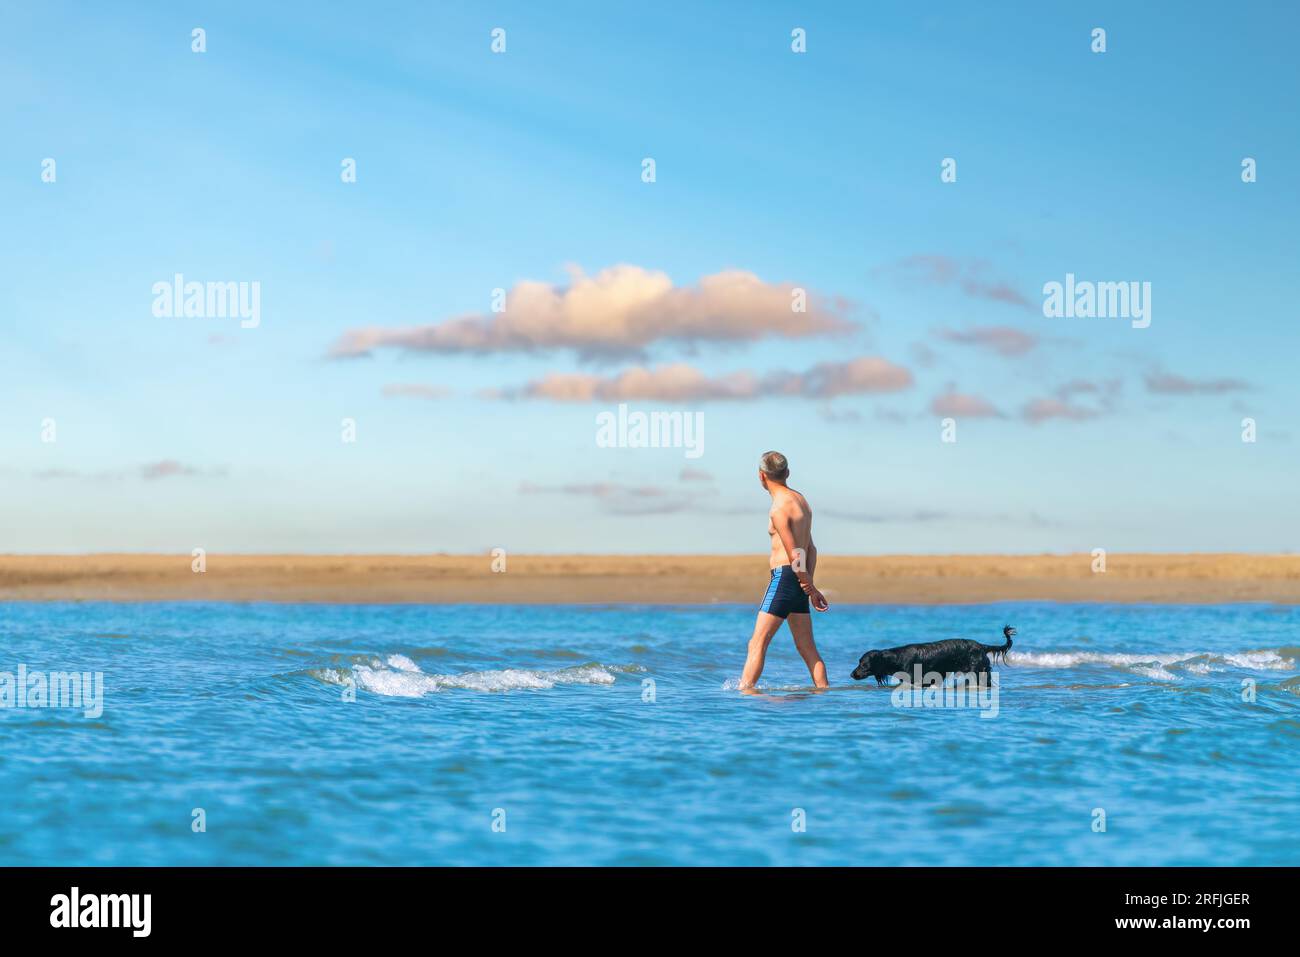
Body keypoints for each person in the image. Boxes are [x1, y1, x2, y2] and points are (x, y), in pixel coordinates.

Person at [738, 451, 830, 690]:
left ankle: (745, 693)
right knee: (806, 647)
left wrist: (808, 585)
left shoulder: (778, 508)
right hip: (800, 577)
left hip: (786, 577)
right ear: (787, 473)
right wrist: (809, 584)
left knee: (757, 643)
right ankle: (825, 693)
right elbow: (811, 549)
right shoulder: (802, 501)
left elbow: (794, 553)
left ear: (761, 476)